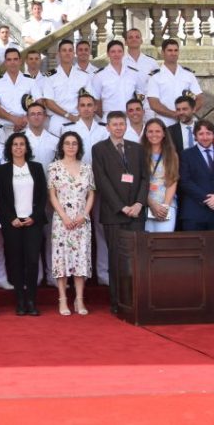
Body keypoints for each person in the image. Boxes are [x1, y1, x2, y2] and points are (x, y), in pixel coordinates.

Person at [91, 111, 148, 314]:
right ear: (107, 127)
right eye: (114, 124)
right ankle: (117, 302)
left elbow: (144, 178)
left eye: (121, 124)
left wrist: (139, 204)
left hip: (136, 212)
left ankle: (135, 300)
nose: (118, 127)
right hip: (114, 213)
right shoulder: (99, 149)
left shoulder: (137, 149)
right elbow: (102, 181)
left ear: (126, 126)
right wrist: (121, 207)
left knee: (135, 258)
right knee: (116, 259)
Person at [0, 133, 47, 316]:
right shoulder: (2, 170)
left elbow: (42, 197)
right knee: (16, 261)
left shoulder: (36, 167)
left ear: (27, 147)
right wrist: (11, 217)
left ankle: (32, 301)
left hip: (33, 221)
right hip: (13, 223)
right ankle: (19, 301)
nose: (18, 147)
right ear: (10, 148)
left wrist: (35, 216)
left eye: (22, 144)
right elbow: (0, 198)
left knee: (32, 261)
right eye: (15, 144)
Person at [48, 131, 95, 316]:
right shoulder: (54, 167)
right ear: (62, 146)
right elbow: (52, 194)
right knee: (62, 259)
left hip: (82, 221)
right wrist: (64, 216)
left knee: (80, 259)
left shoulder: (87, 168)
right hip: (62, 221)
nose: (70, 146)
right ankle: (62, 299)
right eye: (67, 143)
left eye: (74, 143)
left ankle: (80, 299)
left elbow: (92, 193)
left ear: (79, 146)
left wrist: (84, 214)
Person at [177, 120, 214, 231]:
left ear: (213, 134)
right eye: (201, 134)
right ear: (195, 136)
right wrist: (207, 199)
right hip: (194, 213)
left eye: (208, 133)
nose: (205, 137)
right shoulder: (186, 154)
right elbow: (185, 182)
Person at [146, 39, 204, 124]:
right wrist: (174, 114)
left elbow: (199, 98)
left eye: (176, 50)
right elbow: (154, 103)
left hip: (186, 122)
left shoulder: (188, 74)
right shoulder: (155, 77)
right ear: (162, 53)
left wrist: (190, 112)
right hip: (165, 123)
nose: (173, 53)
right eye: (170, 50)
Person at [141, 119, 179, 232]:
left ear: (164, 133)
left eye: (157, 131)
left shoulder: (172, 154)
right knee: (146, 243)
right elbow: (138, 182)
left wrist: (165, 206)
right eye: (150, 131)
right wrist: (152, 204)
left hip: (166, 204)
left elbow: (172, 180)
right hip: (145, 204)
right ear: (146, 133)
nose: (154, 134)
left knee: (164, 243)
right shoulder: (139, 153)